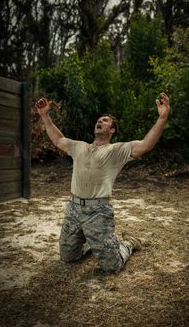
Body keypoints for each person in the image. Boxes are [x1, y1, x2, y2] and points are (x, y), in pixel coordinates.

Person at [36, 93, 170, 272]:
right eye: (99, 120)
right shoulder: (79, 147)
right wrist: (45, 115)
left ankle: (128, 243)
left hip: (98, 212)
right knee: (68, 258)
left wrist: (162, 118)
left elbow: (145, 145)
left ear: (112, 130)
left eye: (105, 120)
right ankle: (94, 242)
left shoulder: (116, 151)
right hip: (73, 209)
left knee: (111, 266)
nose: (100, 121)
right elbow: (58, 139)